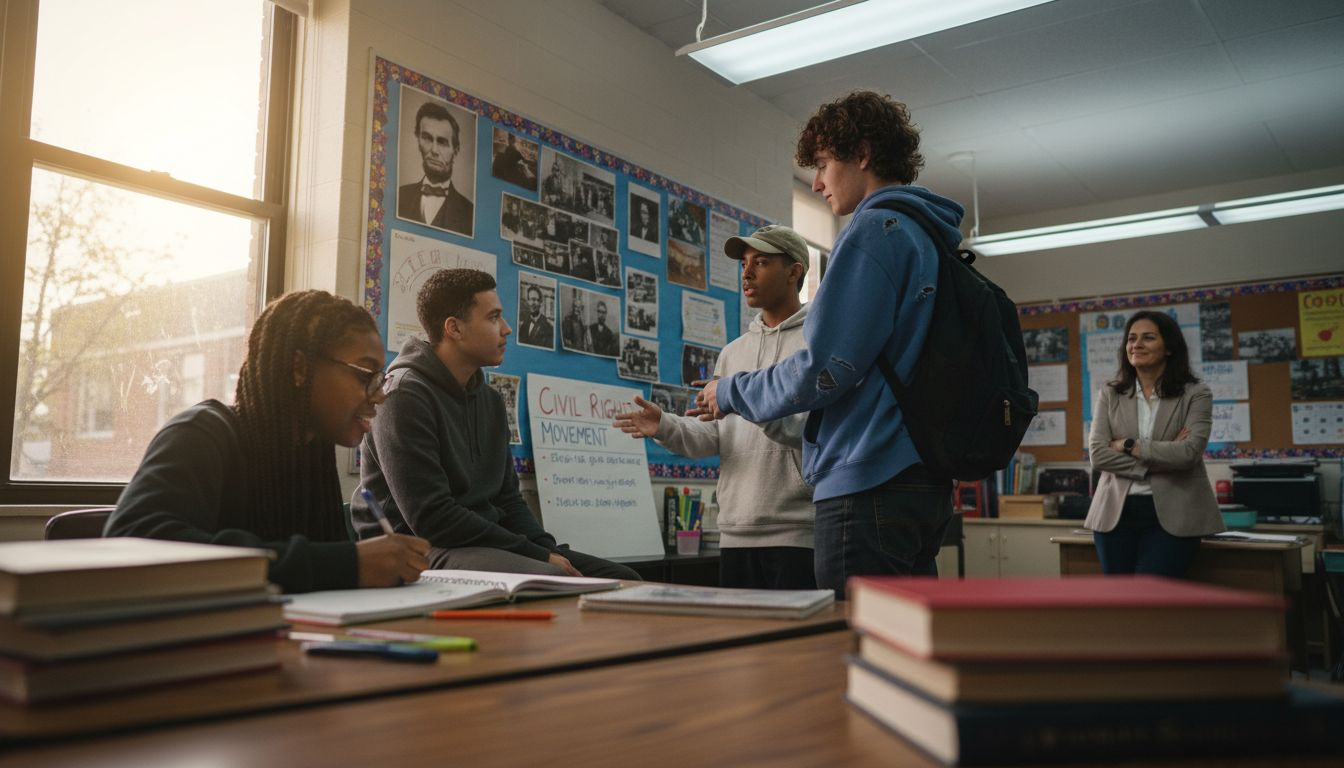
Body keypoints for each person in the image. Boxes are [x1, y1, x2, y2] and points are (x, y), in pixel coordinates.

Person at [695, 91, 961, 597]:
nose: (816, 182)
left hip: (869, 477)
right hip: (919, 478)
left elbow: (823, 367)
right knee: (898, 645)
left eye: (822, 164)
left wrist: (729, 391)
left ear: (861, 155)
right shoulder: (928, 235)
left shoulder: (873, 231)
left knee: (849, 648)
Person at [106, 291, 431, 593]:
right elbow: (132, 544)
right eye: (365, 375)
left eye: (381, 379)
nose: (380, 395)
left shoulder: (312, 454)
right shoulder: (200, 434)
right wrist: (346, 564)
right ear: (299, 368)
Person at [352, 269, 638, 579]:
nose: (507, 329)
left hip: (484, 544)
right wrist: (537, 555)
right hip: (419, 547)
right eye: (493, 318)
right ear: (454, 328)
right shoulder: (403, 394)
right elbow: (432, 517)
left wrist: (548, 549)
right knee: (551, 577)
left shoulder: (490, 400)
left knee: (623, 579)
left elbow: (508, 499)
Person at [615, 225, 816, 590]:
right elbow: (713, 436)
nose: (747, 273)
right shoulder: (733, 353)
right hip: (735, 534)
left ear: (794, 271)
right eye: (743, 264)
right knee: (740, 647)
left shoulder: (814, 343)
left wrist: (741, 398)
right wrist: (664, 425)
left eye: (762, 262)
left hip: (798, 533)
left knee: (793, 647)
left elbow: (813, 429)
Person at [1085, 310, 1223, 576]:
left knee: (1153, 603)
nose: (1136, 345)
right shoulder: (1110, 394)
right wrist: (1156, 463)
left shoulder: (1195, 393)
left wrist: (1127, 445)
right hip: (1115, 515)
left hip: (1176, 514)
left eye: (1148, 338)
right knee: (1120, 604)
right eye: (1131, 338)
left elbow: (1188, 453)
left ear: (1169, 347)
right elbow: (1099, 456)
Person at [397, 101, 473, 235]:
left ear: (455, 150)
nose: (434, 150)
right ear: (418, 141)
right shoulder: (399, 196)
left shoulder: (470, 213)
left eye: (442, 142)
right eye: (427, 138)